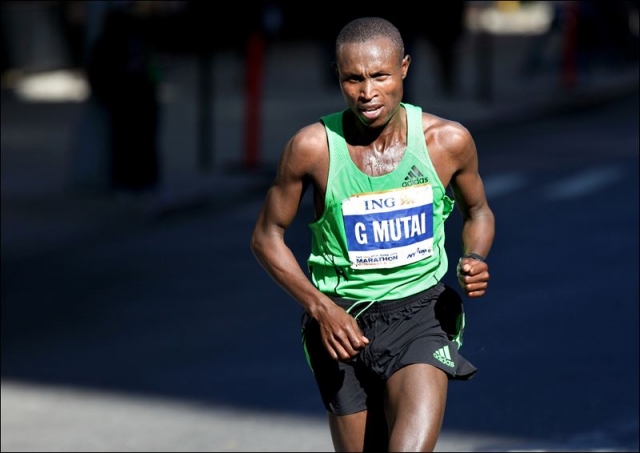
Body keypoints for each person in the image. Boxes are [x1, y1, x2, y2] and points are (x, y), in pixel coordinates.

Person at [251, 16, 495, 452]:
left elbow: (478, 211)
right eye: (353, 79)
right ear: (338, 76)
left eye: (380, 76)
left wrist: (473, 255)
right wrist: (321, 308)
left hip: (420, 315)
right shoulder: (312, 148)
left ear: (404, 68)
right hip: (340, 324)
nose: (367, 93)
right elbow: (266, 237)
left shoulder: (447, 142)